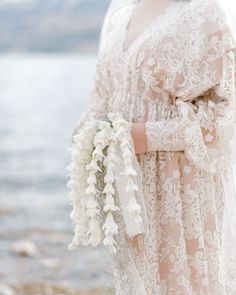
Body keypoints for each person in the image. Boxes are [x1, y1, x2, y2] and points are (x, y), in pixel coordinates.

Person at [73, 0, 236, 294]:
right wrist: (89, 137)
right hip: (130, 183)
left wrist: (145, 136)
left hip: (180, 185)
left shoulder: (203, 13)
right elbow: (100, 98)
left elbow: (223, 119)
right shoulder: (119, 14)